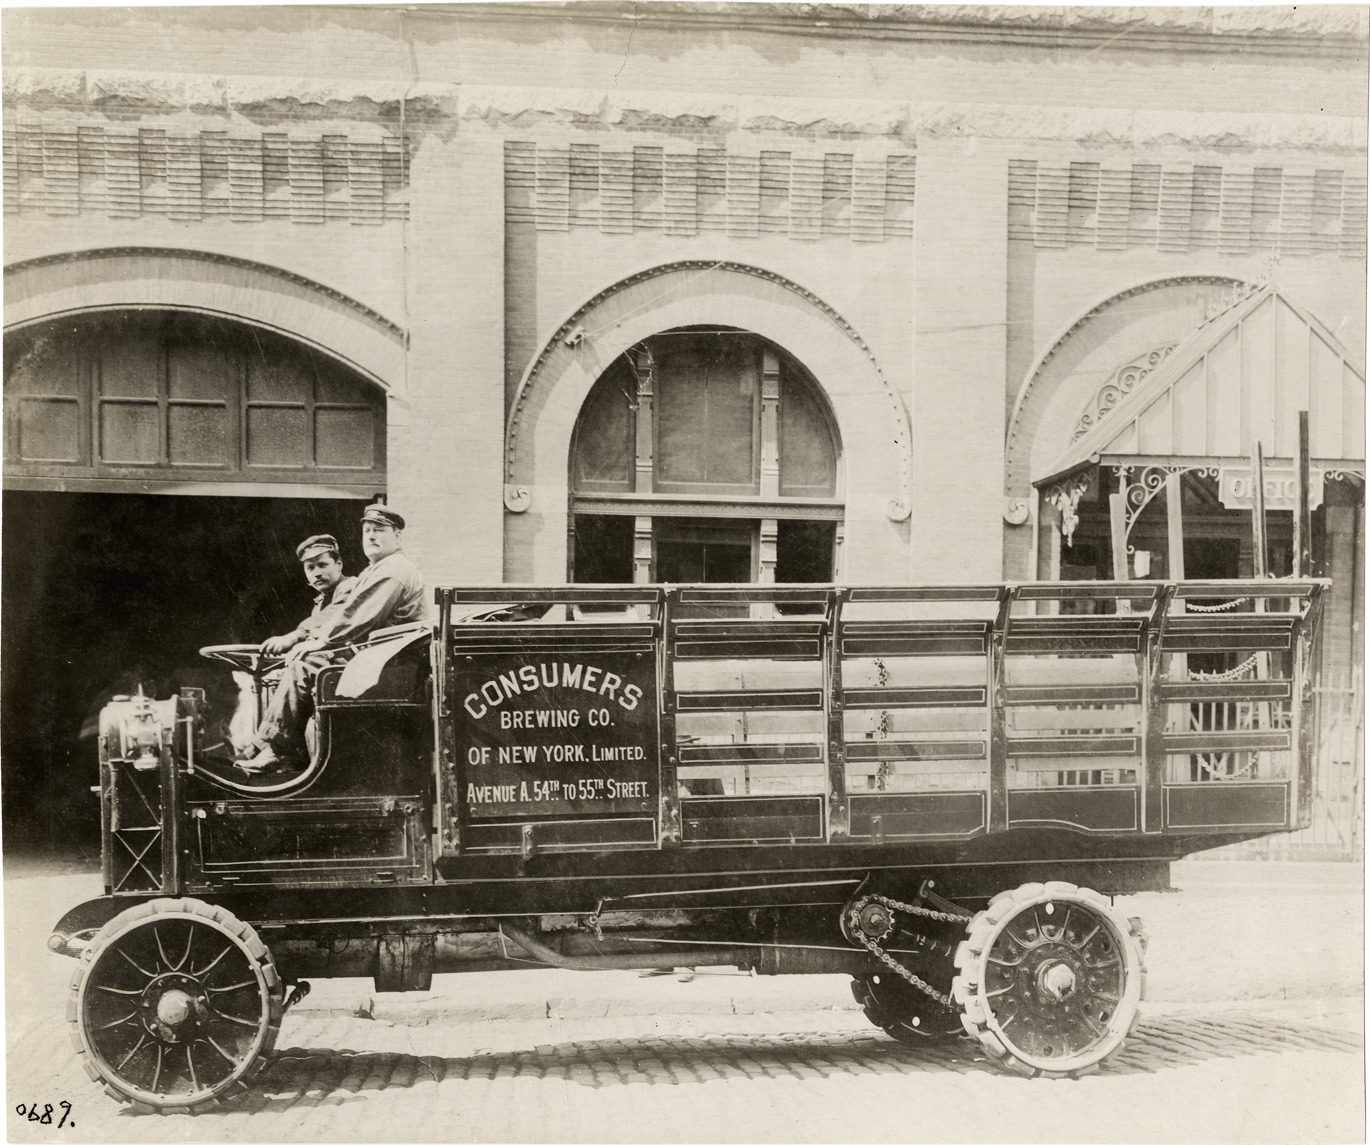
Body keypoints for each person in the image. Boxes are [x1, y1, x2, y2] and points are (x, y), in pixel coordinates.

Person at [237, 506, 426, 775]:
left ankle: (275, 750)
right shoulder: (377, 570)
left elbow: (359, 617)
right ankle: (278, 752)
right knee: (302, 664)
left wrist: (320, 642)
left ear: (397, 536)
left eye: (379, 530)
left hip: (392, 666)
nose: (371, 536)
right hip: (383, 660)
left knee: (305, 665)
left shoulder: (393, 570)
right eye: (367, 531)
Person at [259, 534, 357, 657]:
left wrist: (295, 636)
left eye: (322, 565)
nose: (317, 573)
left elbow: (336, 612)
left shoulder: (352, 586)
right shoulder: (321, 601)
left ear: (339, 564)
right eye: (310, 568)